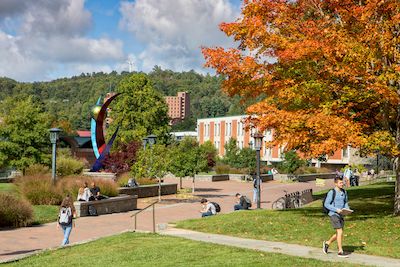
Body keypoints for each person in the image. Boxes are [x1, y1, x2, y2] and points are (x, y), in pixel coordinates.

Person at [323, 177, 351, 258]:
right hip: (333, 214)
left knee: (339, 233)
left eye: (342, 183)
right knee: (340, 230)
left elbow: (345, 202)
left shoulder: (344, 192)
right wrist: (336, 210)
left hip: (341, 214)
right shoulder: (332, 192)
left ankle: (327, 243)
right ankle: (340, 251)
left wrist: (347, 208)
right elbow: (326, 204)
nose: (342, 184)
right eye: (340, 183)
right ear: (335, 183)